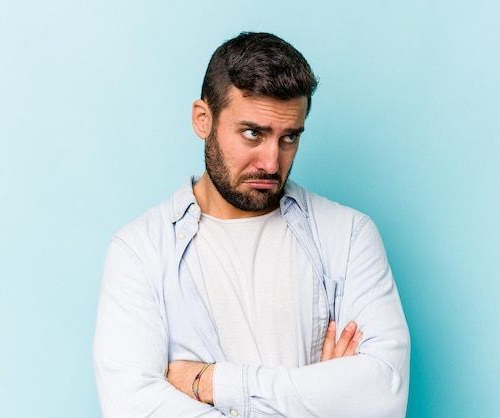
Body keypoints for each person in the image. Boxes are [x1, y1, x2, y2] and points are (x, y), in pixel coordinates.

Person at [93, 32, 410, 417]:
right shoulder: (139, 252)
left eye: (289, 137)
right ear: (202, 119)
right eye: (252, 134)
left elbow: (382, 398)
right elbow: (132, 408)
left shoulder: (348, 235)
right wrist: (322, 398)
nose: (272, 162)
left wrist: (213, 383)